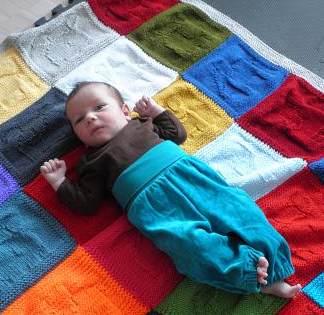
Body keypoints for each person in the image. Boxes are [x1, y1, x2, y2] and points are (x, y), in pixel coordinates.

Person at [40, 81, 301, 298]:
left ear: (124, 110)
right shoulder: (91, 162)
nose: (91, 118)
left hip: (191, 177)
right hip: (155, 207)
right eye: (79, 119)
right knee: (190, 243)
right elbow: (86, 202)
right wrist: (59, 181)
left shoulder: (142, 123)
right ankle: (249, 273)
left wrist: (156, 110)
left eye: (99, 107)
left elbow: (176, 134)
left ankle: (274, 262)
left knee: (239, 209)